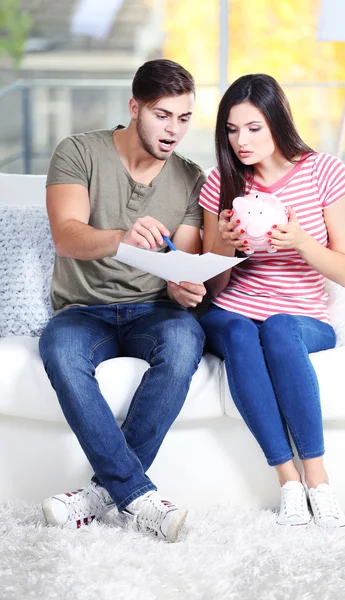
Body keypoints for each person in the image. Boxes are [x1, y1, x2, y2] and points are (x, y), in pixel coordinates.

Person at [39, 59, 207, 542]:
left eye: (183, 118)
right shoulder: (77, 152)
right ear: (134, 108)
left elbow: (184, 258)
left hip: (153, 311)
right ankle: (137, 495)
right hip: (83, 310)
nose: (173, 129)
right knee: (60, 351)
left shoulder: (191, 178)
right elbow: (67, 236)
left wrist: (183, 285)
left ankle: (100, 495)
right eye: (161, 115)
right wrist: (121, 240)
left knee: (183, 343)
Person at [199, 74, 345, 528]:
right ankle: (288, 482)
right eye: (231, 129)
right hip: (234, 310)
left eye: (253, 128)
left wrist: (301, 241)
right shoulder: (222, 181)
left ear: (277, 121)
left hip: (302, 317)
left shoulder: (324, 171)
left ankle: (318, 480)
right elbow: (213, 286)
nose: (241, 141)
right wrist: (226, 247)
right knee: (237, 329)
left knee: (278, 326)